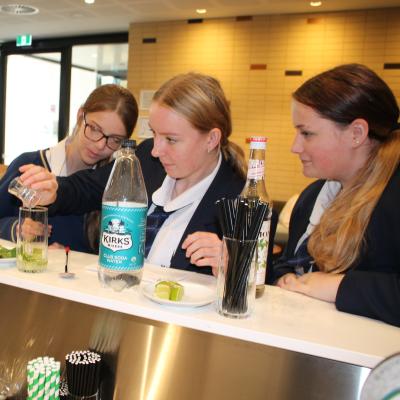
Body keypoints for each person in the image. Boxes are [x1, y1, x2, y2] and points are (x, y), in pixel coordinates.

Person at [18, 73, 251, 275]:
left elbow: (263, 280)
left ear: (211, 139)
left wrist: (233, 265)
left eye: (171, 139)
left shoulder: (240, 201)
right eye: (154, 133)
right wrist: (56, 190)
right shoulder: (147, 158)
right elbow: (90, 187)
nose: (157, 150)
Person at [272, 64, 400, 326]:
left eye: (306, 133)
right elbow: (291, 266)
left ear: (356, 133)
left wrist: (338, 287)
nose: (295, 147)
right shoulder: (311, 198)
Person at [0, 84, 138, 253]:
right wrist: (15, 228)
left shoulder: (114, 184)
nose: (100, 144)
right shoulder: (31, 166)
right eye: (95, 129)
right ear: (81, 116)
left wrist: (72, 259)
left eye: (115, 140)